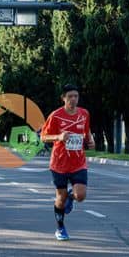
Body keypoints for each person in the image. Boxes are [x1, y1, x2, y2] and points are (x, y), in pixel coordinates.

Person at [40, 84, 94, 241]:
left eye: (76, 96)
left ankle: (72, 196)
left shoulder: (84, 113)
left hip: (78, 162)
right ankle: (60, 228)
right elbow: (43, 137)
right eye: (70, 96)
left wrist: (90, 140)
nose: (73, 99)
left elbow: (86, 131)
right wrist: (58, 137)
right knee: (60, 198)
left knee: (81, 195)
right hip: (59, 164)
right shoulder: (56, 116)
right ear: (63, 98)